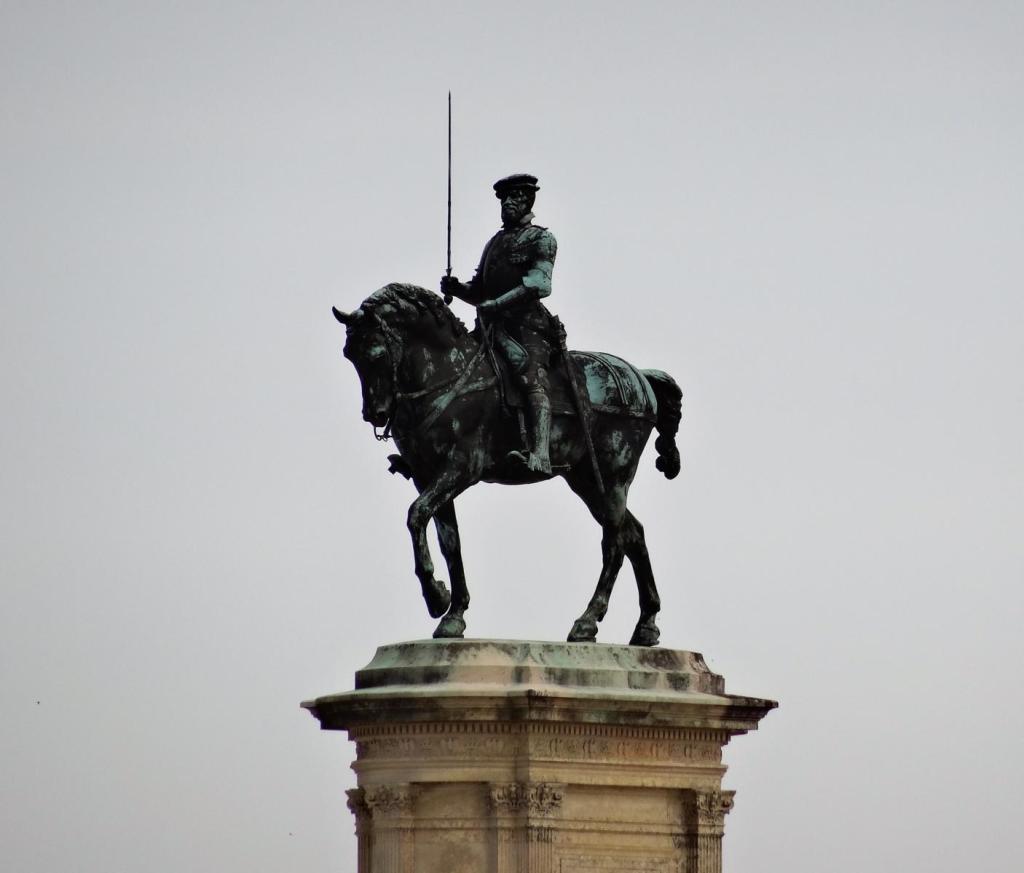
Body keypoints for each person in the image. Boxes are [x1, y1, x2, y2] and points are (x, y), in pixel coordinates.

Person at [441, 173, 558, 475]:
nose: (508, 203)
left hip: (527, 329)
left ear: (528, 200)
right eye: (505, 199)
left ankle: (540, 453)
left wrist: (498, 304)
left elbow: (540, 284)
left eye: (515, 197)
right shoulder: (495, 242)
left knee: (529, 378)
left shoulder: (541, 238)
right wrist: (458, 290)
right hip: (491, 330)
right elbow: (480, 290)